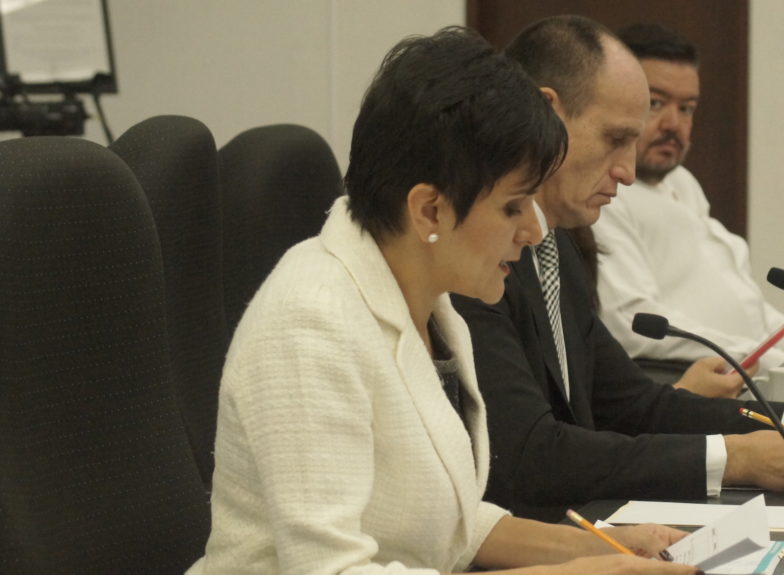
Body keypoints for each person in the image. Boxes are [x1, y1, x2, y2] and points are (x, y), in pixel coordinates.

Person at [188, 28, 701, 575]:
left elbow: (448, 526)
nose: (533, 231)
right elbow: (331, 570)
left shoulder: (429, 304)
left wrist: (604, 548)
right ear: (429, 210)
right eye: (513, 207)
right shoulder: (311, 325)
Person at [450, 16, 784, 522]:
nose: (626, 171)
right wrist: (739, 459)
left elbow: (633, 404)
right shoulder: (476, 254)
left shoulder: (559, 245)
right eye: (615, 138)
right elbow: (531, 455)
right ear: (546, 114)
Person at [591, 24, 784, 395]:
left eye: (686, 109)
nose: (673, 125)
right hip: (705, 384)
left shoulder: (681, 181)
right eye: (655, 104)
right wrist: (764, 358)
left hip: (754, 370)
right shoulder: (604, 195)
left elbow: (736, 297)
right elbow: (631, 319)